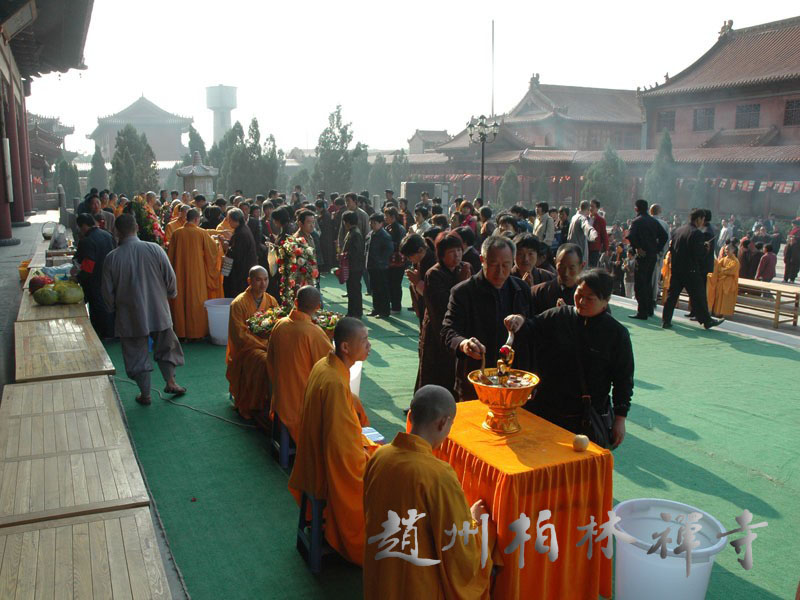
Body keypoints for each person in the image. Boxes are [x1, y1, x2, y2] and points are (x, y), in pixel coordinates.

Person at [363, 385, 493, 599]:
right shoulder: (439, 475)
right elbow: (460, 551)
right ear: (443, 423)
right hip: (416, 587)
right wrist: (475, 523)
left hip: (380, 577)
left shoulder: (379, 456)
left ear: (411, 415)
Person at [505, 269, 632, 448]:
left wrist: (620, 419)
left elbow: (623, 379)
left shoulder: (616, 334)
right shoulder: (558, 316)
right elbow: (530, 330)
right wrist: (519, 321)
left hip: (584, 415)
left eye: (590, 298)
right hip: (546, 408)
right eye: (579, 294)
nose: (581, 301)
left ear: (606, 301)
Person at [288, 317, 374, 566]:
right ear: (345, 347)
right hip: (323, 468)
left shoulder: (325, 365)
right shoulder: (335, 382)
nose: (369, 345)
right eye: (364, 341)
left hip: (311, 458)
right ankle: (367, 542)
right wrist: (368, 457)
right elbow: (342, 452)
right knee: (381, 474)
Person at [102, 214, 185, 405]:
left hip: (130, 315)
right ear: (137, 227)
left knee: (135, 354)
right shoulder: (155, 249)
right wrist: (170, 294)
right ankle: (171, 381)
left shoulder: (112, 258)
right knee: (166, 346)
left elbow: (107, 292)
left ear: (116, 232)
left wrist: (112, 308)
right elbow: (170, 279)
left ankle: (145, 394)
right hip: (158, 310)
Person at [441, 236, 532, 401]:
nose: (500, 272)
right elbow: (448, 330)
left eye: (506, 265)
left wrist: (522, 320)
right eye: (494, 265)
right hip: (476, 376)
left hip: (513, 379)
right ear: (482, 260)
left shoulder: (521, 289)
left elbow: (534, 325)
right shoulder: (463, 292)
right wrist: (464, 344)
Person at [266, 286, 332, 441]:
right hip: (302, 403)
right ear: (318, 307)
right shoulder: (314, 332)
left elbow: (269, 359)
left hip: (279, 397)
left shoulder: (279, 324)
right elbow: (331, 366)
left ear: (295, 302)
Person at [417, 233, 471, 395]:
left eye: (459, 250)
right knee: (434, 375)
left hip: (460, 331)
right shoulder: (434, 274)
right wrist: (461, 283)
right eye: (452, 252)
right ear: (441, 255)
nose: (457, 255)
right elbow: (442, 306)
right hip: (438, 331)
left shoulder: (465, 268)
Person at [225, 266, 278, 419]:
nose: (263, 284)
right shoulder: (238, 303)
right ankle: (255, 404)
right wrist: (263, 345)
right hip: (246, 349)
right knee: (264, 360)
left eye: (266, 279)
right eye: (258, 280)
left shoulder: (271, 301)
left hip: (268, 344)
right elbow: (240, 336)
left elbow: (278, 326)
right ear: (249, 281)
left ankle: (273, 402)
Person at [661, 208, 724, 330]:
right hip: (691, 270)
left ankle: (666, 320)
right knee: (699, 296)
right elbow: (698, 254)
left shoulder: (678, 230)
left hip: (677, 268)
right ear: (698, 219)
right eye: (702, 219)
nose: (703, 222)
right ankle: (707, 321)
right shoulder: (696, 233)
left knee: (672, 296)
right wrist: (705, 249)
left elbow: (672, 248)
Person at [167, 208, 221, 339]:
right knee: (196, 299)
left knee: (180, 300)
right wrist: (219, 244)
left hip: (179, 273)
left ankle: (180, 332)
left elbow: (170, 256)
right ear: (197, 219)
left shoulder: (176, 233)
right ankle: (196, 333)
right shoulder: (201, 233)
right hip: (197, 274)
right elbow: (212, 252)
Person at [74, 213, 115, 339]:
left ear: (83, 226)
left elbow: (88, 266)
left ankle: (102, 335)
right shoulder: (108, 235)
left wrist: (77, 278)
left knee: (98, 308)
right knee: (109, 305)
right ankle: (111, 332)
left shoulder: (87, 240)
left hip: (95, 281)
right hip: (110, 277)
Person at [626, 199, 668, 320]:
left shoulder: (636, 221)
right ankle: (649, 309)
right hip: (652, 256)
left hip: (642, 255)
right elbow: (664, 236)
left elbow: (630, 236)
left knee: (640, 284)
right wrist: (657, 249)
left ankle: (642, 312)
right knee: (648, 283)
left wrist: (637, 247)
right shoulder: (653, 221)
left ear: (636, 208)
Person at [530, 243, 584, 314]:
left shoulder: (588, 296)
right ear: (555, 262)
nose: (566, 273)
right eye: (561, 267)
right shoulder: (538, 292)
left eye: (571, 268)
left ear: (581, 266)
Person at [400, 234, 436, 323]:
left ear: (420, 250)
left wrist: (417, 282)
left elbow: (434, 294)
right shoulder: (419, 260)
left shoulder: (433, 263)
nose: (409, 259)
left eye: (410, 256)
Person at [365, 213, 393, 318]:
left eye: (374, 223)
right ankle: (376, 309)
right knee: (374, 289)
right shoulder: (370, 234)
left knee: (382, 290)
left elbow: (388, 251)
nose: (371, 225)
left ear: (381, 223)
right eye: (370, 222)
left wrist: (380, 261)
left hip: (381, 267)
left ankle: (384, 311)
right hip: (371, 266)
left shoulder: (385, 236)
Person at [341, 210, 366, 318]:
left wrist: (345, 255)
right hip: (352, 266)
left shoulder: (355, 234)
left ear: (347, 222)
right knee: (351, 290)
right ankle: (352, 312)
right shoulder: (353, 232)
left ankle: (356, 312)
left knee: (354, 290)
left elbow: (356, 252)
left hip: (355, 267)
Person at [384, 207, 407, 313]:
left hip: (398, 261)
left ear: (392, 217)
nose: (385, 218)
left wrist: (387, 244)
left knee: (395, 284)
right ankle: (392, 304)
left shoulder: (399, 229)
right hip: (390, 260)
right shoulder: (388, 227)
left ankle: (396, 306)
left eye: (386, 216)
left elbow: (400, 245)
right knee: (390, 283)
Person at [707, 243, 739, 318]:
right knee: (718, 298)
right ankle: (716, 312)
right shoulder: (723, 259)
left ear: (733, 250)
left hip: (729, 283)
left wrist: (721, 270)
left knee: (725, 299)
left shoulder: (735, 261)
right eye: (725, 249)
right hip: (721, 282)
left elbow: (730, 270)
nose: (726, 251)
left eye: (728, 249)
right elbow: (717, 267)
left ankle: (724, 313)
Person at [649, 203, 670, 309]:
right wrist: (661, 253)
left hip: (645, 255)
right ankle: (653, 299)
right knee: (655, 277)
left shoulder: (646, 221)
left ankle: (644, 299)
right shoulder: (664, 224)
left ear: (650, 211)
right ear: (660, 211)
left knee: (645, 277)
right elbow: (667, 241)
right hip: (658, 255)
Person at [567, 200, 598, 265]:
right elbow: (586, 226)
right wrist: (593, 234)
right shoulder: (582, 218)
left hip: (571, 251)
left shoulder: (574, 217)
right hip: (579, 253)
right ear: (588, 210)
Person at [315, 199, 336, 271]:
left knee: (327, 252)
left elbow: (324, 226)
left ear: (319, 207)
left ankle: (328, 266)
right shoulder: (324, 213)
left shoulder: (325, 215)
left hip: (326, 236)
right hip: (325, 236)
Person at [587, 199, 609, 267]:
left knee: (592, 268)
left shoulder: (601, 220)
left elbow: (604, 235)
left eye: (592, 206)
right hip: (585, 247)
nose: (590, 208)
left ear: (597, 208)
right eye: (590, 206)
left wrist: (606, 249)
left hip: (594, 248)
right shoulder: (585, 218)